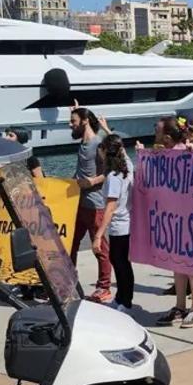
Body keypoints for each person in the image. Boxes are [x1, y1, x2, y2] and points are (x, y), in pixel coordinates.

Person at [155, 117, 193, 328]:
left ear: (167, 136)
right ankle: (180, 305)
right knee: (176, 262)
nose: (155, 133)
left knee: (192, 263)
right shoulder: (165, 152)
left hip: (191, 215)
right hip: (173, 215)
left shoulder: (186, 152)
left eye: (157, 130)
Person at [69, 106, 112, 303]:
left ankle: (104, 287)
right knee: (70, 245)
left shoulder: (97, 144)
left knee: (99, 247)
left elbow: (110, 171)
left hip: (95, 205)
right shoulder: (83, 144)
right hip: (78, 204)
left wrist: (92, 182)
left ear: (84, 121)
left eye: (74, 121)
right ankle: (68, 284)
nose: (71, 125)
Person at [92, 134, 135, 313]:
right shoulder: (128, 168)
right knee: (123, 262)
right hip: (128, 222)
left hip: (119, 225)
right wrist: (106, 128)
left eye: (101, 150)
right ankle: (122, 297)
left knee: (119, 262)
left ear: (106, 153)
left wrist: (98, 234)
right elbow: (123, 151)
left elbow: (110, 206)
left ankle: (125, 301)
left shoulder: (113, 177)